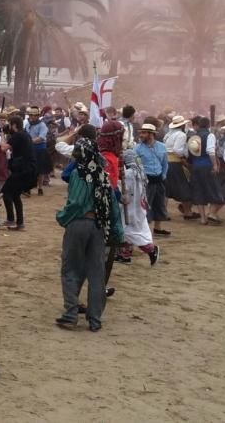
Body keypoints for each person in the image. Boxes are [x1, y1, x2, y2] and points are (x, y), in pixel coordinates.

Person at [55, 138, 124, 332]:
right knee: (96, 273)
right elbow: (112, 206)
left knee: (70, 270)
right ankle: (95, 319)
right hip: (99, 227)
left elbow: (76, 203)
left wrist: (61, 217)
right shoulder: (103, 175)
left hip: (78, 224)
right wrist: (117, 233)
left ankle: (70, 315)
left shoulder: (78, 174)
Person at [118, 148, 159, 265]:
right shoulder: (140, 173)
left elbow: (126, 190)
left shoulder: (129, 174)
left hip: (131, 208)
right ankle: (125, 255)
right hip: (138, 207)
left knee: (128, 232)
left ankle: (152, 250)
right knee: (130, 231)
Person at [187, 117, 225, 225]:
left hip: (195, 166)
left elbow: (189, 153)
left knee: (199, 191)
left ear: (198, 125)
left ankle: (203, 219)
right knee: (214, 189)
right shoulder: (210, 135)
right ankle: (211, 213)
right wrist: (215, 164)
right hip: (207, 165)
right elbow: (210, 151)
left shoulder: (193, 137)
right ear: (208, 125)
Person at [2, 115, 36, 231]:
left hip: (21, 169)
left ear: (14, 125)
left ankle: (11, 220)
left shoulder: (18, 135)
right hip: (27, 169)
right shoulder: (25, 134)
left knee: (6, 192)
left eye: (10, 124)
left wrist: (2, 133)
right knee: (15, 195)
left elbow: (3, 148)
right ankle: (19, 222)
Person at [135, 123, 170, 236]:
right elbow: (136, 166)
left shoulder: (162, 147)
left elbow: (165, 163)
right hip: (146, 181)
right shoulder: (137, 149)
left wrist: (163, 175)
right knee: (145, 205)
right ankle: (144, 230)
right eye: (141, 132)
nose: (141, 135)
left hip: (159, 179)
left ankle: (158, 228)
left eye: (144, 133)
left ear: (151, 134)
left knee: (159, 204)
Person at [163, 116, 194, 219]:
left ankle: (163, 212)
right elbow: (177, 150)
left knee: (166, 189)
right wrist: (184, 156)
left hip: (167, 162)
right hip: (175, 162)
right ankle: (187, 212)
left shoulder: (168, 135)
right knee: (184, 186)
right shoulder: (181, 135)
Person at [25, 106, 50, 195]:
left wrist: (29, 141)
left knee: (41, 170)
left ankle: (40, 188)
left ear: (38, 116)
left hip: (40, 149)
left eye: (34, 115)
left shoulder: (42, 125)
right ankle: (28, 187)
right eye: (30, 115)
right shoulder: (27, 125)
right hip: (30, 149)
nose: (32, 117)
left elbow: (41, 138)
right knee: (29, 169)